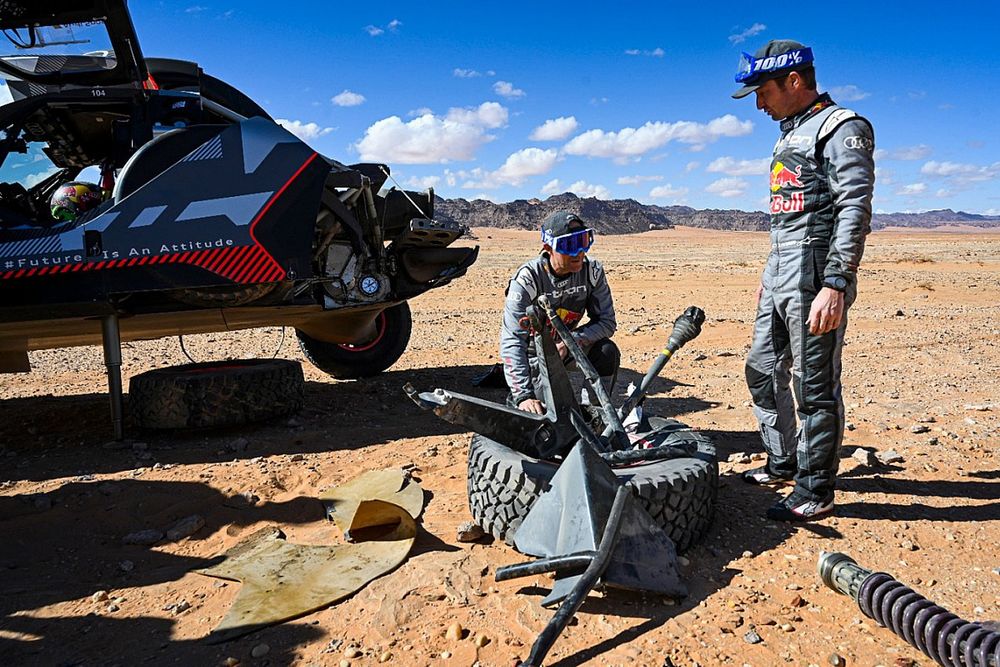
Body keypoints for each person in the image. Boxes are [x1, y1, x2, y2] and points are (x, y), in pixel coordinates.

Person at [732, 40, 875, 521]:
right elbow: (787, 217)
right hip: (780, 271)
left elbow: (853, 207)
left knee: (813, 384)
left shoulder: (841, 127)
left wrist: (835, 283)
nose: (759, 103)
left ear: (794, 81)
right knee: (761, 368)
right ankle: (783, 461)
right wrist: (769, 273)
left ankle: (815, 489)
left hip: (816, 272)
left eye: (763, 91)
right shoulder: (788, 132)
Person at [499, 211, 619, 415]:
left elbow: (607, 322)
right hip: (535, 357)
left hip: (567, 348)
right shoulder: (527, 280)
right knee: (545, 413)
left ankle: (597, 411)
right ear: (549, 248)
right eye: (570, 246)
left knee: (607, 352)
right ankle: (520, 392)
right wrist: (523, 395)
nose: (579, 252)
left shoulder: (592, 272)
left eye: (584, 242)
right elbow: (512, 341)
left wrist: (572, 340)